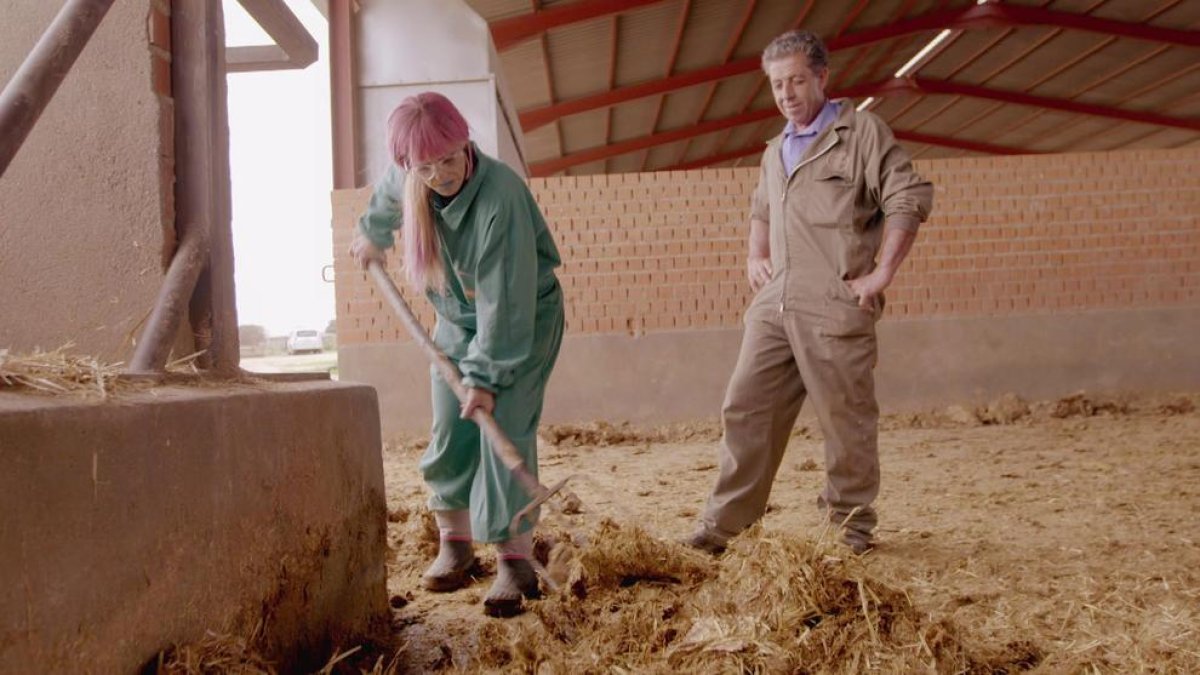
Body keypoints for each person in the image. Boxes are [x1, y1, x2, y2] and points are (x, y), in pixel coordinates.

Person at [685, 30, 933, 555]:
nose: (787, 93)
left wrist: (881, 273)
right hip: (774, 303)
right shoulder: (775, 150)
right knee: (744, 407)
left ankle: (850, 529)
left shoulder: (862, 132)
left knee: (845, 418)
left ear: (822, 77)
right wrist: (756, 256)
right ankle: (724, 526)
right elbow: (761, 209)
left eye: (797, 80)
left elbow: (907, 196)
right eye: (777, 84)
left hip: (834, 304)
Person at [350, 92, 565, 617]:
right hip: (456, 319)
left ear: (465, 142)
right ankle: (456, 542)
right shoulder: (411, 177)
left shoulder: (500, 198)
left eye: (449, 158)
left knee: (504, 425)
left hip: (520, 321)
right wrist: (370, 236)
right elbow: (383, 201)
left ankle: (514, 557)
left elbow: (505, 305)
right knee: (450, 425)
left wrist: (486, 378)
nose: (442, 174)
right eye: (426, 167)